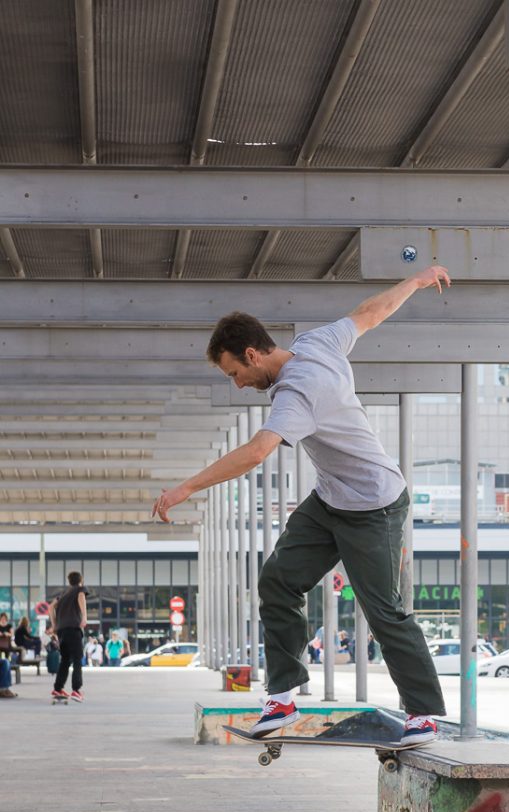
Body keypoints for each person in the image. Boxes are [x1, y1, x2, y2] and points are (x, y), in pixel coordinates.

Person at [153, 266, 451, 745]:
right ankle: (284, 697)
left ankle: (424, 714)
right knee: (278, 580)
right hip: (331, 498)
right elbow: (368, 314)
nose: (237, 383)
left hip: (374, 504)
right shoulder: (318, 342)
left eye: (235, 373)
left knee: (383, 610)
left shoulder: (296, 393)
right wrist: (414, 283)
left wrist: (185, 488)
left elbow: (255, 452)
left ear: (252, 354)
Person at [49, 571, 88, 702]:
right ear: (80, 581)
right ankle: (76, 690)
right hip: (73, 628)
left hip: (62, 631)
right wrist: (84, 617)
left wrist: (54, 625)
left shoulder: (63, 594)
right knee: (77, 658)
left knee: (65, 660)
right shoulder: (80, 589)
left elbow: (50, 607)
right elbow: (81, 596)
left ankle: (58, 688)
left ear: (69, 581)